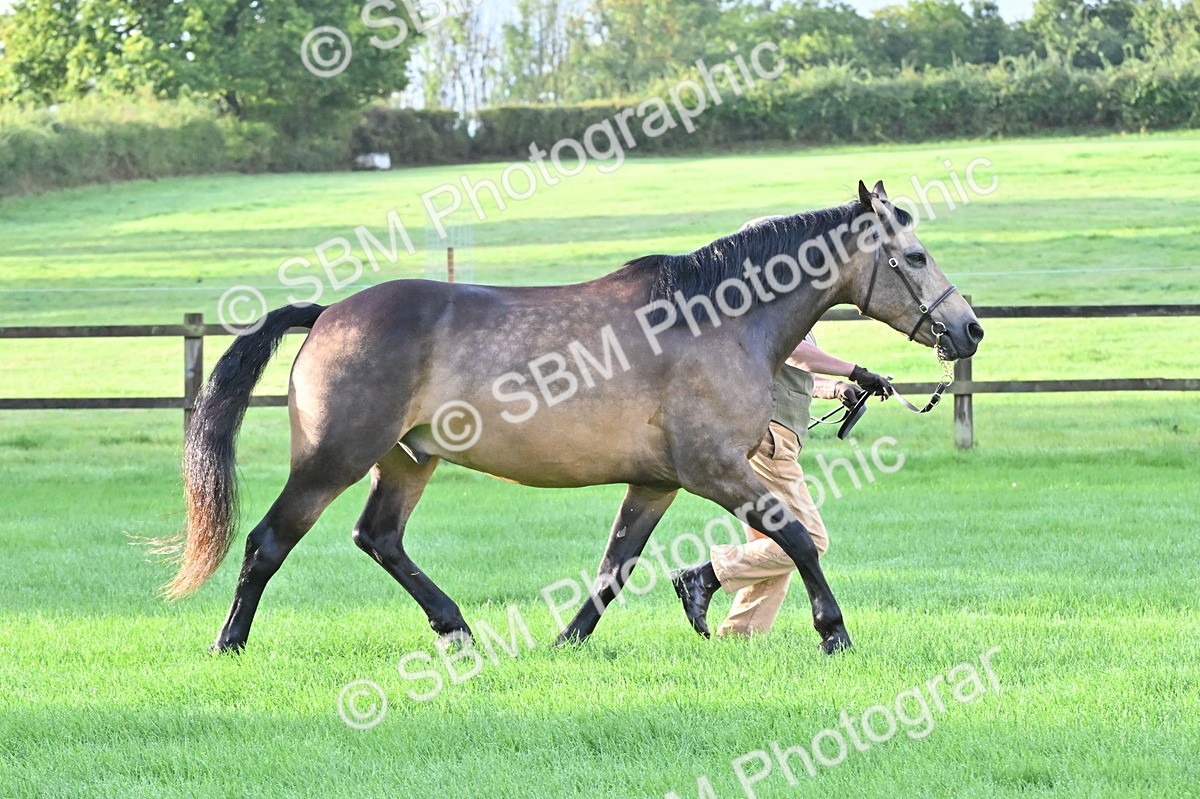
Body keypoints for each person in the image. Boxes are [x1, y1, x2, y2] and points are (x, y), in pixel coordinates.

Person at [670, 219, 894, 639]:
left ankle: (739, 639)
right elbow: (798, 354)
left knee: (773, 548)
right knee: (808, 539)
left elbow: (796, 370)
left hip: (774, 436)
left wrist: (838, 389)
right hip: (770, 440)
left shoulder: (782, 302)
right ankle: (703, 577)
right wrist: (858, 370)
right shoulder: (764, 304)